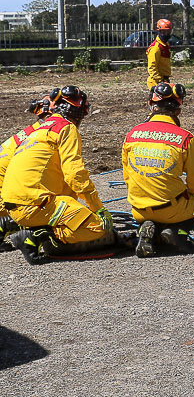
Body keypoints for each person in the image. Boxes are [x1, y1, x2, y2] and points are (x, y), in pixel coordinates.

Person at [2, 86, 118, 264]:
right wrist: (98, 208)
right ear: (80, 114)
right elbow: (75, 174)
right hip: (34, 204)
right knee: (98, 227)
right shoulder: (67, 128)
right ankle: (37, 236)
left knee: (71, 204)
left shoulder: (37, 131)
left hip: (13, 204)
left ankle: (18, 225)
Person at [122, 82, 194, 257]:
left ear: (151, 106)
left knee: (164, 206)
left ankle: (150, 229)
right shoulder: (186, 138)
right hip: (172, 208)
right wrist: (191, 196)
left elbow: (127, 177)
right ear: (178, 110)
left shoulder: (132, 135)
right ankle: (178, 230)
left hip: (137, 209)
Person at [0, 96, 53, 247]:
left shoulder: (31, 131)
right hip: (4, 199)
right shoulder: (41, 135)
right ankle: (5, 224)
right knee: (45, 210)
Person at [146, 18, 173, 90]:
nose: (166, 34)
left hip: (164, 80)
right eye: (164, 32)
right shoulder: (155, 48)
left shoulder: (166, 45)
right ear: (158, 31)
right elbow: (152, 67)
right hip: (156, 82)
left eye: (168, 31)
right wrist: (160, 81)